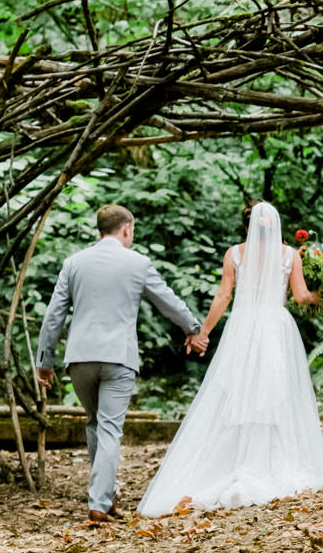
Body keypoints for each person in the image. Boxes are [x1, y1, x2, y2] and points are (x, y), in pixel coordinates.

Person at [137, 201, 323, 517]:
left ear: (249, 226)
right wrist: (318, 294)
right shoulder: (290, 255)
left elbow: (223, 296)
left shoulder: (234, 254)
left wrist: (204, 332)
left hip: (242, 326)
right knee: (272, 391)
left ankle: (236, 460)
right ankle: (265, 460)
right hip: (274, 328)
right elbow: (300, 297)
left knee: (239, 390)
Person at [35, 204, 208, 524]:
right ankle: (100, 504)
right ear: (126, 228)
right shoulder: (137, 263)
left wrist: (45, 360)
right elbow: (167, 301)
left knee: (95, 424)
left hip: (80, 359)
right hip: (118, 357)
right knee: (110, 429)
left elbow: (54, 314)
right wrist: (194, 329)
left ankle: (107, 494)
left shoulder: (74, 263)